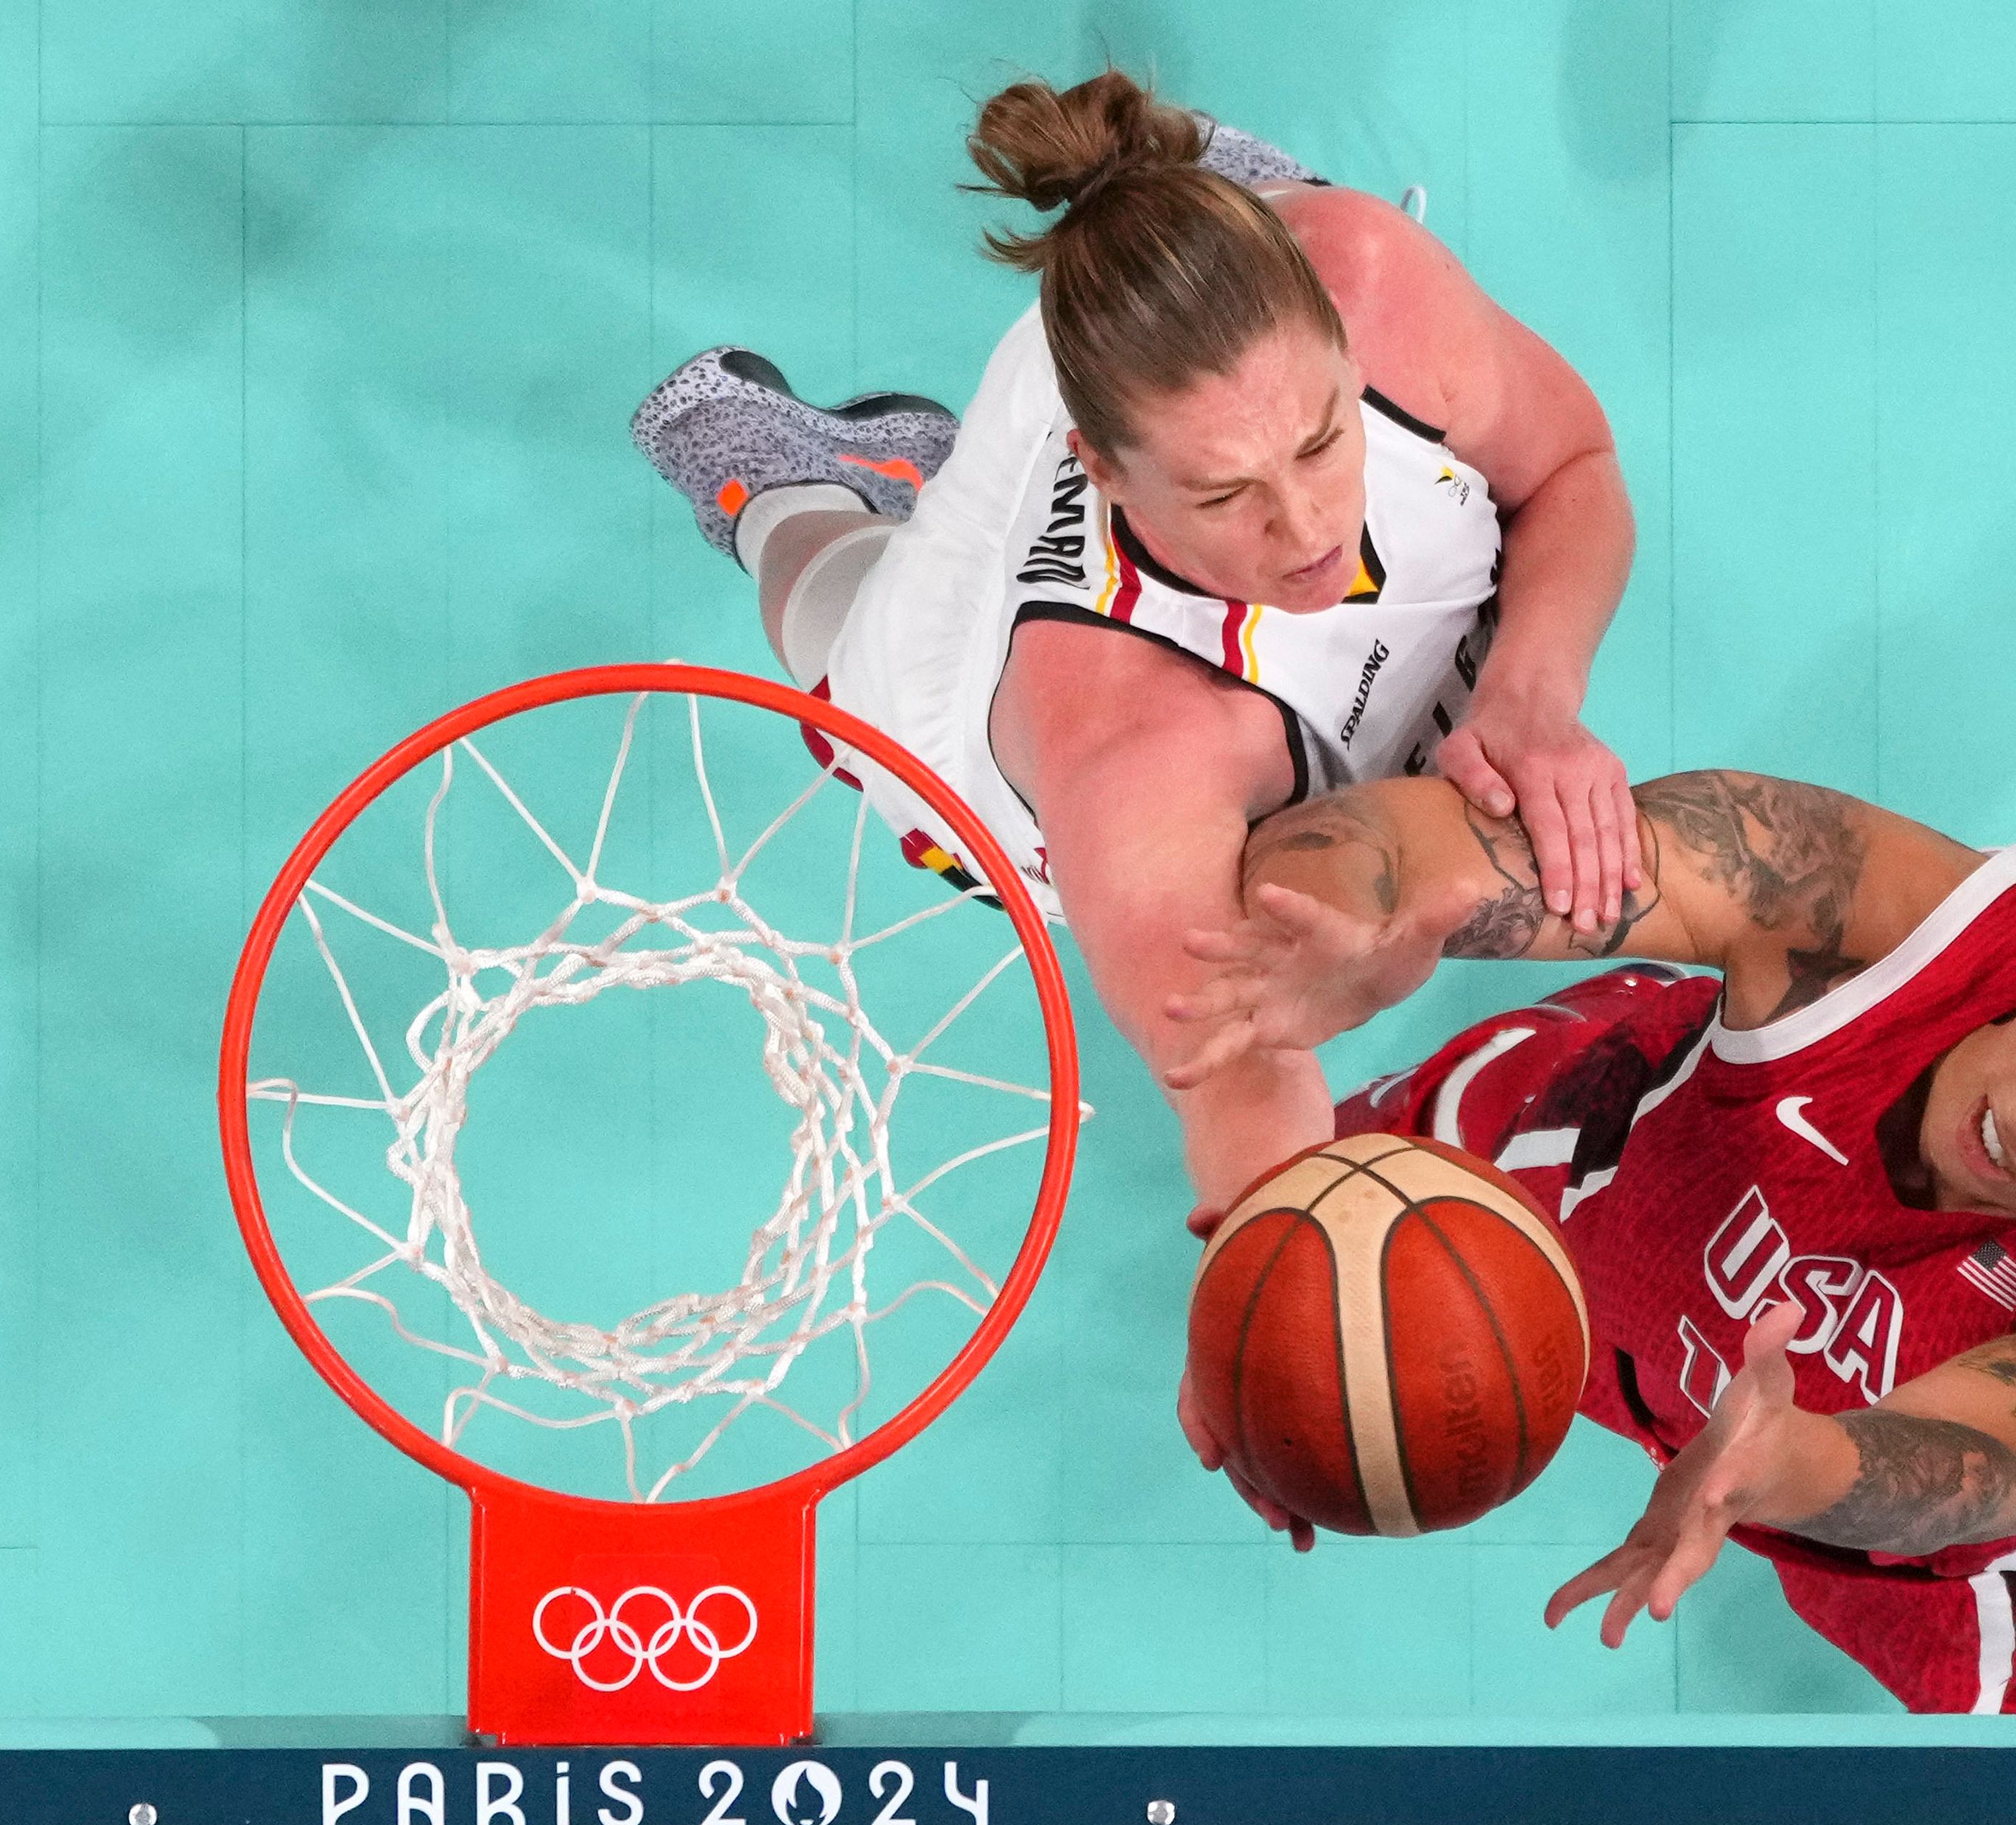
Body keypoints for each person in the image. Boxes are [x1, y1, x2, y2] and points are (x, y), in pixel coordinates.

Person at [1162, 723, 2016, 1710]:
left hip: (1908, 1496)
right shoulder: (1866, 905)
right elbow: (1453, 847)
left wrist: (1796, 1460)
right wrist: (1358, 910)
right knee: (1382, 1198)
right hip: (1642, 1190)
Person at [629, 72, 1641, 1222]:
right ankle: (781, 475)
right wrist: (1294, 1272)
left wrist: (1533, 698)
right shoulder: (1131, 758)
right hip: (973, 675)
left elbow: (1572, 470)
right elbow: (1237, 1082)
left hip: (1168, 372)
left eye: (1323, 443)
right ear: (1103, 473)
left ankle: (1183, 200)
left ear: (1345, 361)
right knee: (846, 631)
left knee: (1301, 262)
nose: (1307, 531)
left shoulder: (1367, 279)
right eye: (1233, 498)